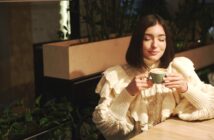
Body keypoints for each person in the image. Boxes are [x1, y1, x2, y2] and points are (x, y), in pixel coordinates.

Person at [92, 14, 214, 140]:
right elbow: (108, 131)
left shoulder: (179, 68)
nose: (155, 45)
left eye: (161, 39)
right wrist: (128, 92)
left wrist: (186, 88)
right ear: (137, 41)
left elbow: (210, 107)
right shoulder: (118, 76)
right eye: (147, 39)